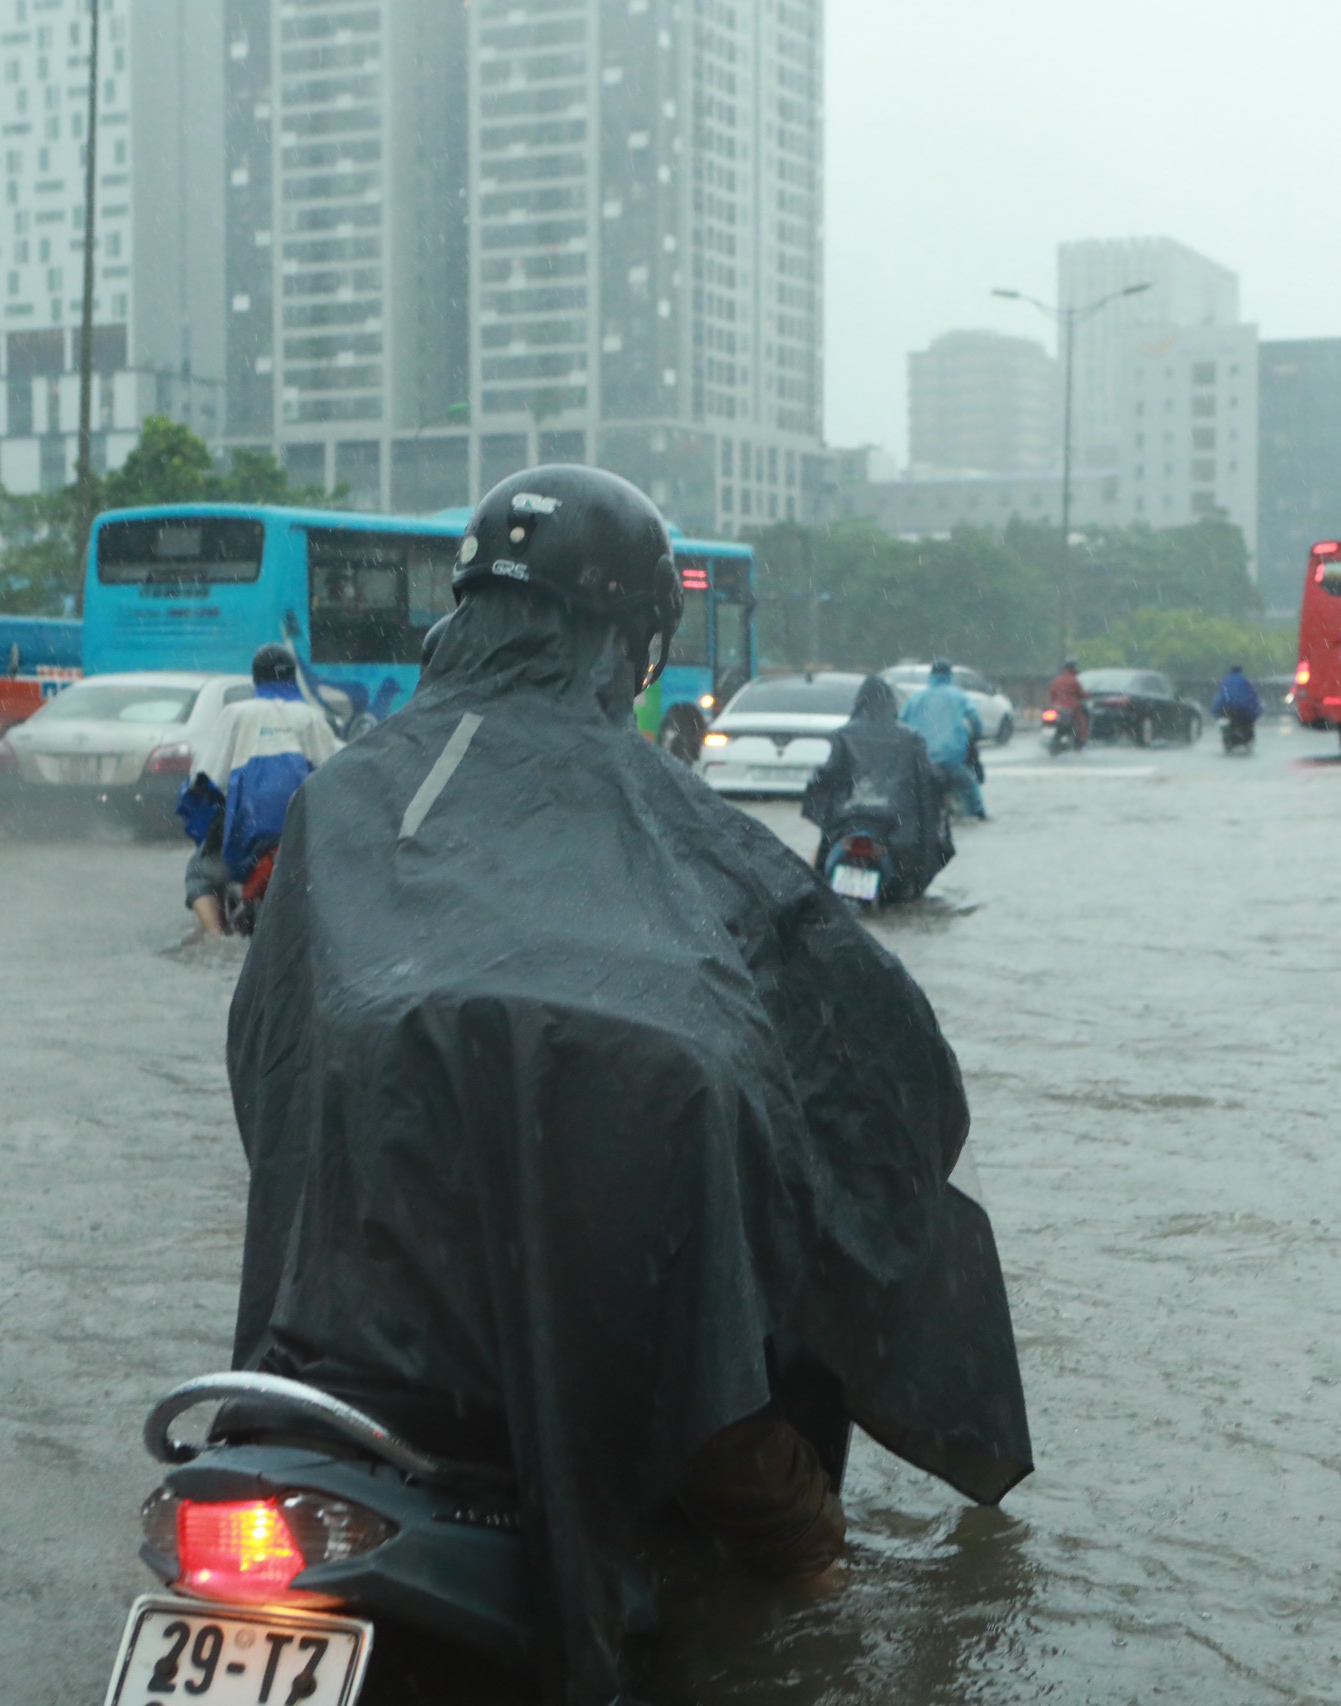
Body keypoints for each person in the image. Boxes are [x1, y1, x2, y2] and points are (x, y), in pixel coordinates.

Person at [222, 467, 1030, 1705]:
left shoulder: (351, 798)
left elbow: (265, 1057)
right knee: (817, 1579)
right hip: (630, 1356)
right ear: (631, 641)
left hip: (326, 1351)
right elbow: (867, 1047)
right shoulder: (671, 824)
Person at [178, 643, 340, 936]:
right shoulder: (310, 717)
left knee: (199, 873)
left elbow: (205, 776)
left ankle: (215, 938)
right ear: (293, 676)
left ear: (256, 678)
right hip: (300, 828)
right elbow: (334, 774)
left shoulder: (236, 714)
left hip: (247, 828)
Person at [801, 674, 954, 900]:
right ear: (891, 703)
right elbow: (929, 781)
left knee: (816, 874)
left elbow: (827, 777)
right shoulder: (911, 738)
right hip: (898, 831)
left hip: (847, 824)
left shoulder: (843, 734)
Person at [902, 658, 987, 818]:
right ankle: (979, 813)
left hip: (923, 760)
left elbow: (901, 722)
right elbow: (974, 719)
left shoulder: (916, 698)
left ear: (931, 675)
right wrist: (977, 734)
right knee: (970, 790)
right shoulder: (958, 696)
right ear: (949, 675)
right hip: (952, 759)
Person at [1211, 664, 1264, 745]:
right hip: (1241, 709)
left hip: (1226, 708)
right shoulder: (1244, 681)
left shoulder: (1226, 681)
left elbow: (1220, 696)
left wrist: (1215, 710)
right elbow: (1252, 696)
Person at [1047, 657, 1089, 749]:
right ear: (1073, 668)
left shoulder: (1057, 680)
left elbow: (1052, 695)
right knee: (1081, 722)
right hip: (1072, 707)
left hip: (1057, 708)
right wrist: (1088, 694)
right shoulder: (1074, 680)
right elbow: (1081, 694)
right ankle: (1080, 740)